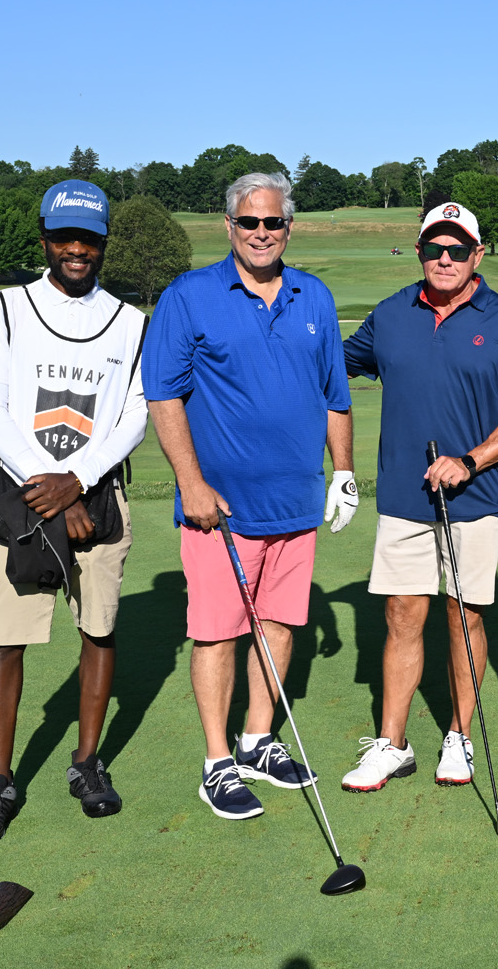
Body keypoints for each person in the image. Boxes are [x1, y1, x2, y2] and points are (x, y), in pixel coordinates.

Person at [143, 172, 357, 821]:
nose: (261, 233)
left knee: (281, 624)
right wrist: (191, 483)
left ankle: (258, 740)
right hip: (222, 510)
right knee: (218, 635)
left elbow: (335, 397)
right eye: (249, 222)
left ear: (290, 227)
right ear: (228, 226)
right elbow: (163, 395)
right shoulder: (189, 296)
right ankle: (218, 763)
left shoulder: (314, 295)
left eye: (273, 222)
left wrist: (344, 473)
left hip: (296, 501)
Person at [0, 179, 149, 845]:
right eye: (65, 237)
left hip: (97, 495)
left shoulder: (129, 322)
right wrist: (49, 487)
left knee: (98, 630)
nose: (77, 250)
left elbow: (136, 414)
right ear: (44, 239)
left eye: (88, 239)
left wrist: (79, 481)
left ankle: (86, 763)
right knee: (6, 638)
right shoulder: (6, 309)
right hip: (20, 497)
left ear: (103, 244)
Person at [339, 202, 498, 791]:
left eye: (456, 249)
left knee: (463, 614)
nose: (444, 259)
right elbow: (331, 364)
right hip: (404, 495)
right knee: (402, 615)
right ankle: (392, 744)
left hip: (476, 497)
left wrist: (471, 460)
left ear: (478, 254)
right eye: (433, 248)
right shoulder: (391, 314)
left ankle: (459, 736)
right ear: (420, 252)